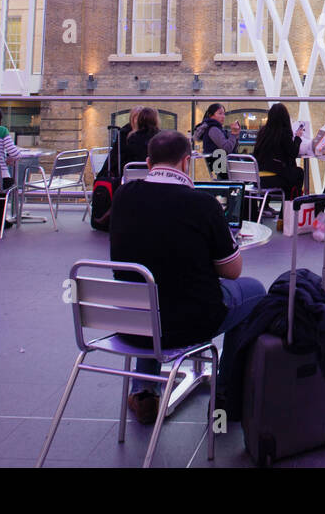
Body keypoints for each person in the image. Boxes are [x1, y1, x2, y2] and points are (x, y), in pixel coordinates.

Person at [109, 131, 265, 425]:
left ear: (148, 162)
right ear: (186, 162)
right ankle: (226, 393)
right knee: (254, 291)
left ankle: (144, 392)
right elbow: (232, 272)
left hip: (132, 322)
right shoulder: (202, 204)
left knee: (154, 292)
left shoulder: (123, 196)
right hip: (188, 324)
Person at [251, 103, 304, 207]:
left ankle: (265, 206)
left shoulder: (262, 132)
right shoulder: (284, 133)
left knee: (287, 174)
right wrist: (297, 138)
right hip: (272, 180)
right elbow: (293, 153)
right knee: (299, 173)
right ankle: (288, 209)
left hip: (257, 179)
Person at [193, 103, 241, 180]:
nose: (223, 116)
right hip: (221, 167)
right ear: (211, 115)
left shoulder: (218, 129)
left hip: (221, 167)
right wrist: (233, 134)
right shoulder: (213, 129)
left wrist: (236, 135)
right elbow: (227, 148)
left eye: (224, 114)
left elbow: (232, 148)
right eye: (220, 113)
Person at [121, 108, 160, 175]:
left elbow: (127, 158)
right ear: (155, 120)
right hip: (157, 174)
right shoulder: (161, 137)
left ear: (140, 120)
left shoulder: (132, 137)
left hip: (134, 175)